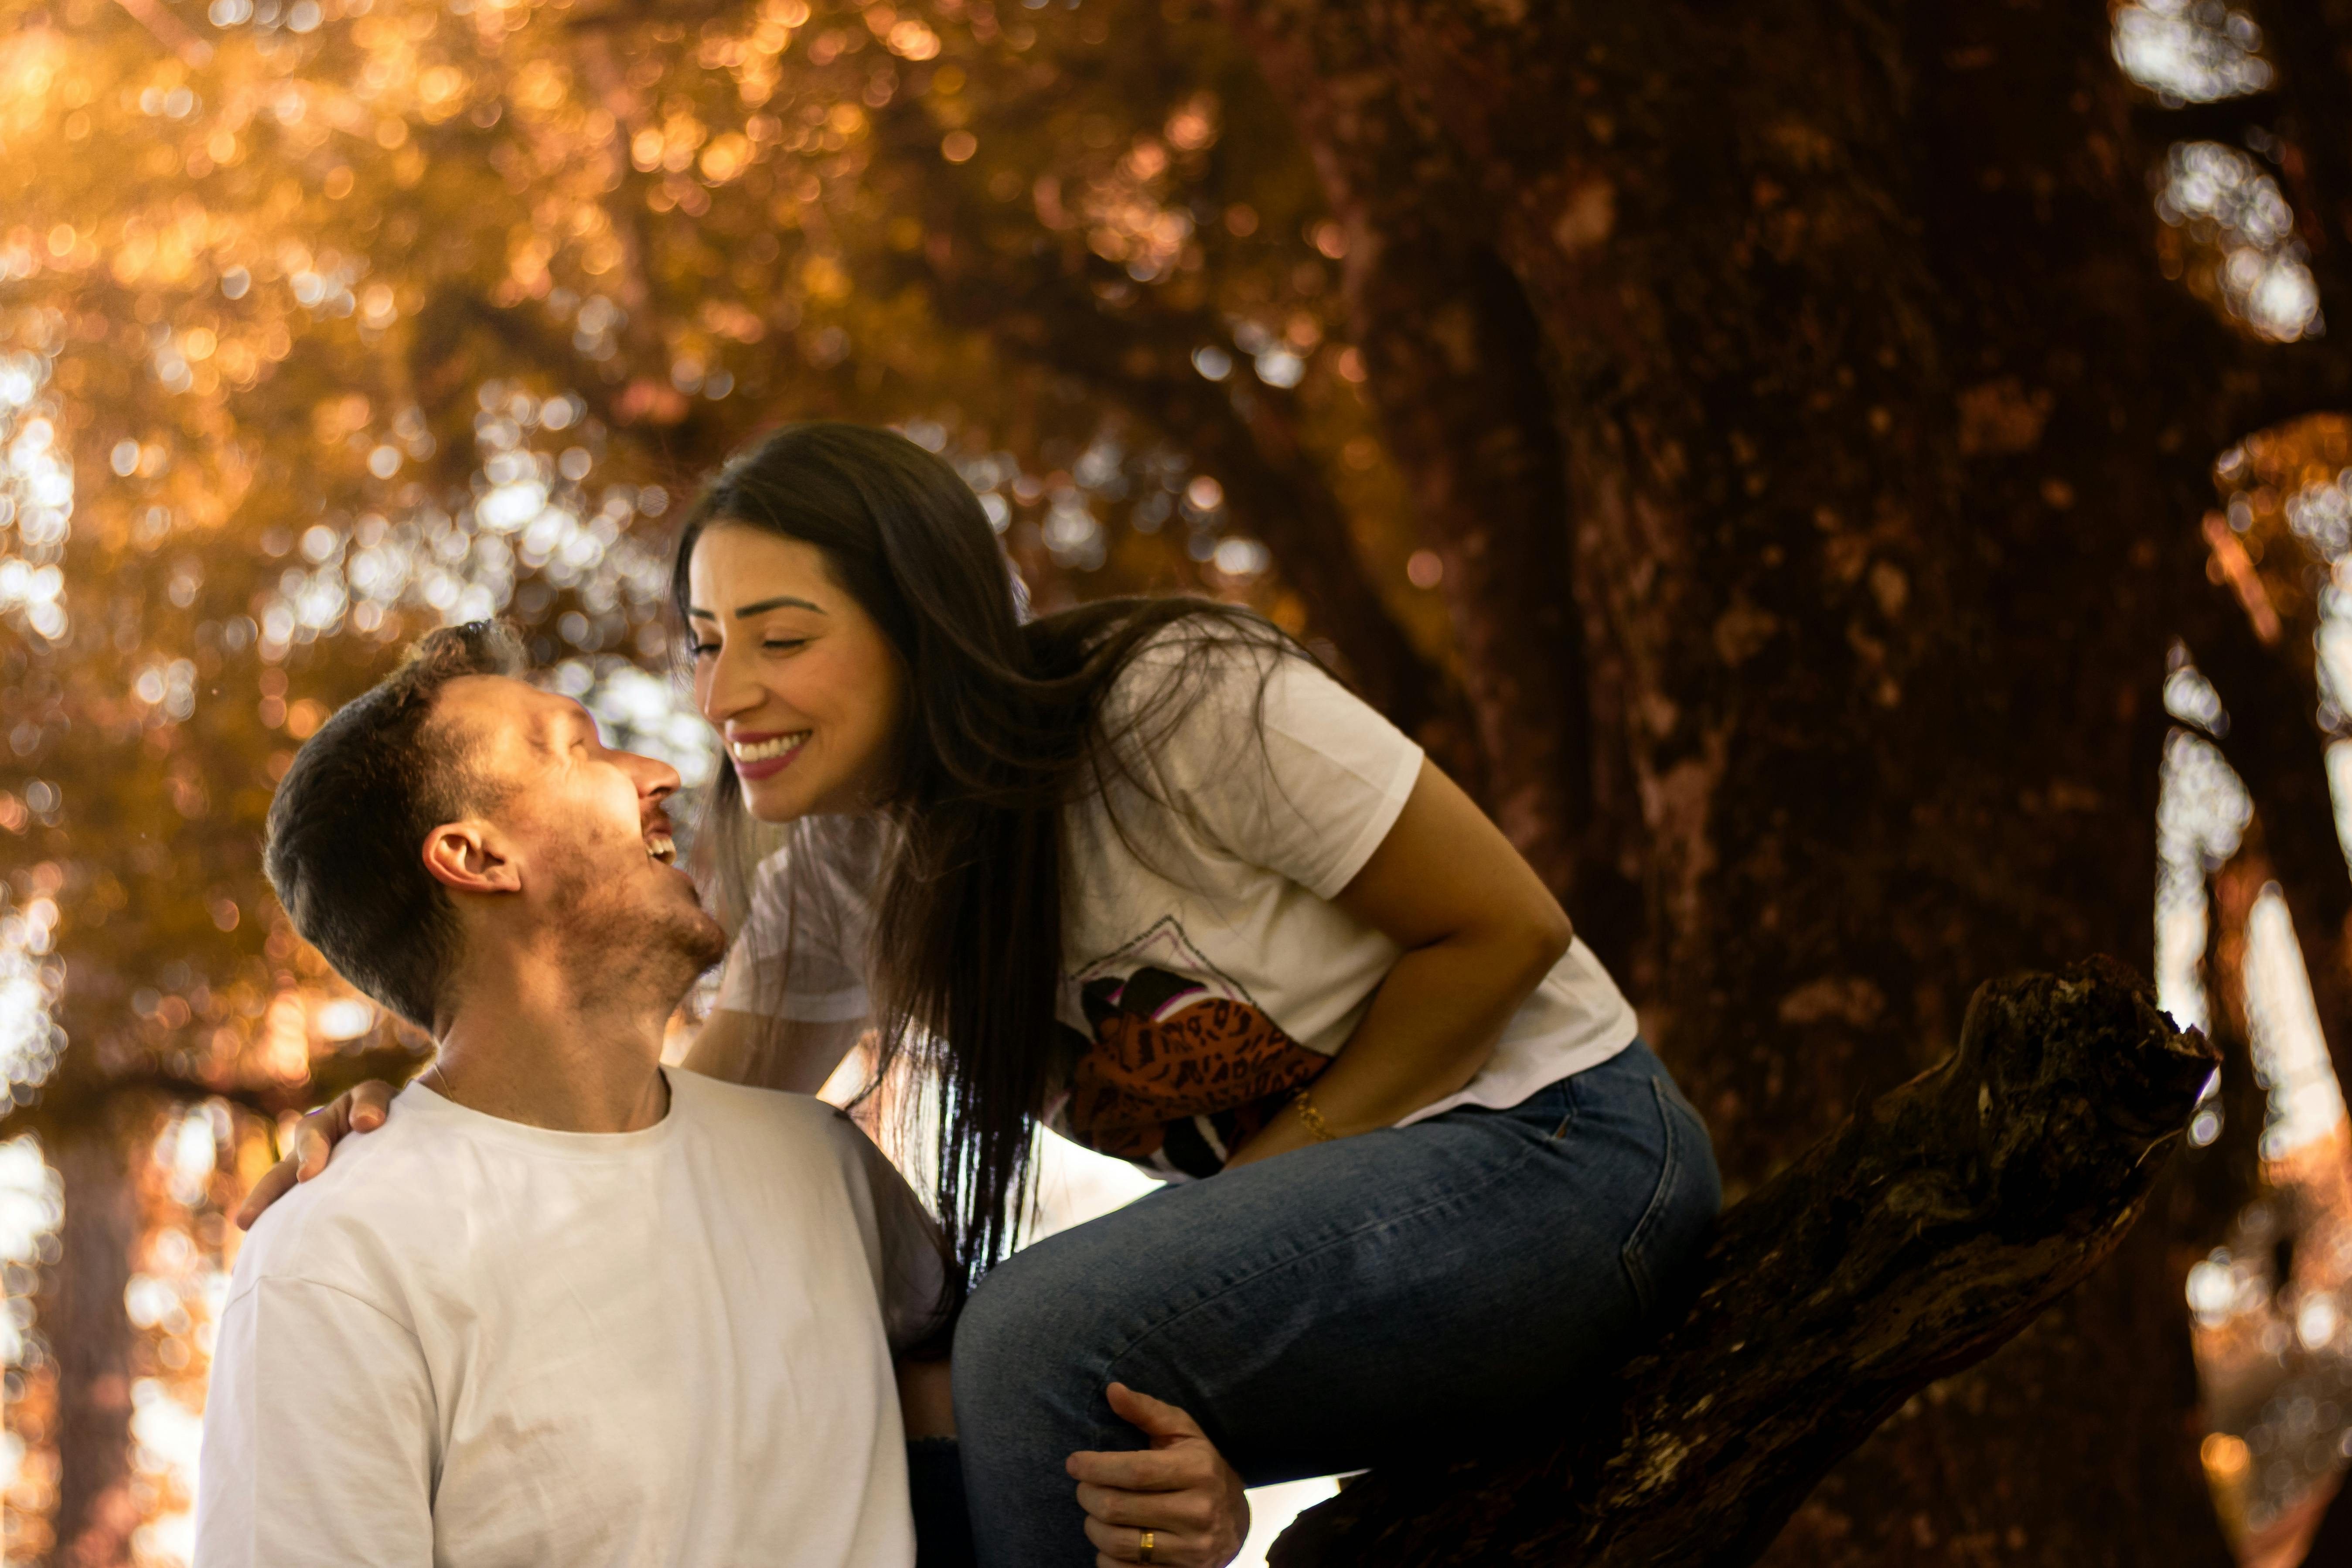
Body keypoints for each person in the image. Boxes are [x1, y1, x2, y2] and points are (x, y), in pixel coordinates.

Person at [250, 423, 1722, 1568]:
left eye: (781, 634)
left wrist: (1207, 1251)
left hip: (1569, 1152)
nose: (719, 697)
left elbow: (1505, 931)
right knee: (945, 1380)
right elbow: (657, 1120)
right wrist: (412, 1126)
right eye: (706, 644)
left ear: (916, 617)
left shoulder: (1173, 702)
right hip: (1377, 1261)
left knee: (1031, 1335)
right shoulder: (841, 873)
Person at [203, 621, 1247, 1568]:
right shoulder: (337, 1257)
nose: (658, 770)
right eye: (578, 747)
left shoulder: (824, 1167)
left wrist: (1176, 1510)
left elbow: (995, 1435)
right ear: (477, 856)